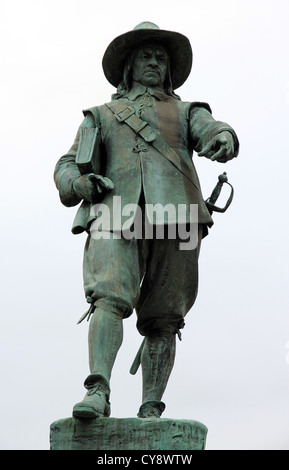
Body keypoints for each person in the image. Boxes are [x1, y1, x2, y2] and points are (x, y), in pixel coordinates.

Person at [54, 22, 239, 419]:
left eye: (160, 57)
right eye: (145, 56)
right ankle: (97, 391)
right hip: (114, 213)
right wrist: (80, 183)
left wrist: (222, 137)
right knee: (109, 296)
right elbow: (66, 165)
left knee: (166, 315)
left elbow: (211, 129)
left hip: (180, 218)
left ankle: (151, 409)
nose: (154, 61)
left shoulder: (188, 111)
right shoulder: (100, 116)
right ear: (129, 66)